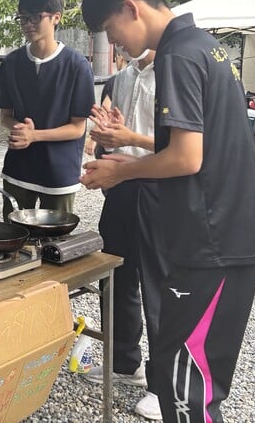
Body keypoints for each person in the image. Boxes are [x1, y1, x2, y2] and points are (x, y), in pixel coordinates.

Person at [80, 0, 255, 422]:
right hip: (228, 231)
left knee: (187, 384)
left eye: (111, 30)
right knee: (185, 371)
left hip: (214, 239)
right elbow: (198, 145)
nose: (116, 45)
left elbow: (187, 159)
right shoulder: (205, 45)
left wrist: (122, 174)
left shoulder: (177, 55)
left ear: (131, 8)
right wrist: (131, 162)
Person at [84, 47, 167, 421]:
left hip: (161, 187)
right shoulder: (122, 78)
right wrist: (106, 139)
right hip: (122, 185)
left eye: (115, 30)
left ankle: (166, 385)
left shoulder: (173, 72)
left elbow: (188, 144)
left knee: (160, 286)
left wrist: (130, 136)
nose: (115, 42)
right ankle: (123, 362)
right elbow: (115, 139)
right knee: (116, 276)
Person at [0, 0, 94, 218]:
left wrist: (34, 135)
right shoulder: (11, 63)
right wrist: (20, 129)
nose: (28, 24)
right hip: (18, 167)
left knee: (56, 235)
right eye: (23, 18)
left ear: (56, 17)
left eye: (36, 17)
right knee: (13, 233)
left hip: (59, 170)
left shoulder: (76, 65)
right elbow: (5, 116)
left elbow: (77, 128)